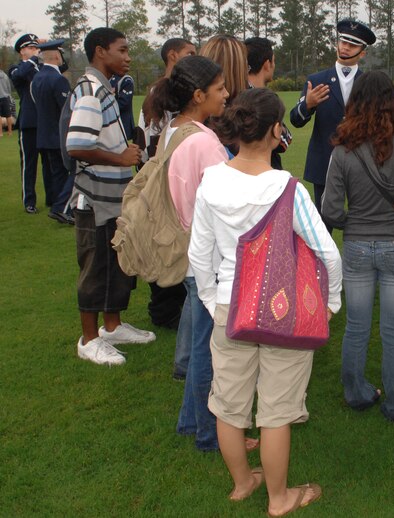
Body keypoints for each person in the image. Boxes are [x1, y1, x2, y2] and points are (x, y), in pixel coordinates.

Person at [189, 87, 341, 514]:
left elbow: (199, 253)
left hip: (228, 304)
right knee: (276, 409)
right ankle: (279, 498)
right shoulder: (287, 188)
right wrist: (331, 300)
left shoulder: (211, 180)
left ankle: (242, 483)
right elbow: (327, 251)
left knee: (228, 403)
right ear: (278, 131)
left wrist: (209, 297)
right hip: (282, 312)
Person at [321, 71, 394, 421]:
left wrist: (353, 224)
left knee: (356, 326)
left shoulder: (342, 153)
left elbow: (330, 210)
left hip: (356, 247)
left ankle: (356, 394)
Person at [144, 55, 230, 451]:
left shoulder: (174, 130)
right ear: (199, 95)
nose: (227, 94)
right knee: (208, 354)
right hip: (209, 260)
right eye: (220, 89)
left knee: (199, 348)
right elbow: (225, 207)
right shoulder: (205, 143)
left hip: (194, 253)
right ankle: (209, 434)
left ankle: (189, 422)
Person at [66, 28, 153, 366]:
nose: (128, 56)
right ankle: (89, 340)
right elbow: (77, 145)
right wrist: (120, 158)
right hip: (95, 198)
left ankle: (112, 326)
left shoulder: (104, 88)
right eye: (122, 49)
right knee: (96, 267)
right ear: (101, 52)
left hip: (112, 197)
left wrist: (123, 150)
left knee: (116, 264)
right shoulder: (90, 91)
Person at [138, 37, 196, 370]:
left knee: (178, 246)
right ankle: (163, 310)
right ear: (173, 56)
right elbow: (148, 141)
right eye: (189, 54)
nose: (193, 57)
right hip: (164, 182)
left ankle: (170, 307)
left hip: (175, 182)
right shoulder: (158, 94)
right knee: (166, 244)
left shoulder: (178, 91)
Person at [290, 19, 376, 216]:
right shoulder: (316, 80)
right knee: (323, 221)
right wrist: (308, 104)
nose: (345, 47)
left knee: (360, 219)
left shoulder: (369, 82)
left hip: (361, 161)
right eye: (343, 42)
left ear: (362, 52)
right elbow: (296, 119)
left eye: (352, 44)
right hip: (323, 162)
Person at [30, 39, 74, 225]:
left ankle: (55, 203)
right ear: (57, 56)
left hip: (44, 134)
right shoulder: (58, 80)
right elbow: (67, 110)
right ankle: (61, 207)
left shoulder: (37, 78)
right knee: (71, 172)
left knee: (56, 173)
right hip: (59, 135)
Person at [245, 36, 292, 170]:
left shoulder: (237, 94)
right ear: (267, 64)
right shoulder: (263, 100)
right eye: (274, 61)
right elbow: (284, 141)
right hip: (265, 172)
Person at [9, 33, 43, 214]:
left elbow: (62, 66)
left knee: (49, 163)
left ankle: (54, 198)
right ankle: (29, 201)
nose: (35, 50)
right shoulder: (17, 68)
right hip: (28, 123)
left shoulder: (40, 67)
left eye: (36, 47)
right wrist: (33, 59)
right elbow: (19, 76)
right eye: (31, 47)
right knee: (29, 165)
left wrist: (51, 47)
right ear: (22, 51)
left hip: (44, 123)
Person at [0, 69, 16, 136]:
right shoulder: (5, 75)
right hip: (6, 97)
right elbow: (8, 87)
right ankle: (10, 132)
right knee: (8, 115)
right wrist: (8, 94)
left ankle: (0, 133)